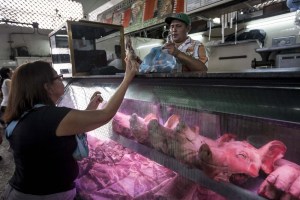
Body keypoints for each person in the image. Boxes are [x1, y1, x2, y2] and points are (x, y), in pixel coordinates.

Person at [1, 59, 138, 199]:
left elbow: (56, 132)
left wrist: (89, 109)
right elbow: (105, 114)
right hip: (41, 196)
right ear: (48, 87)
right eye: (58, 77)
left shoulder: (32, 114)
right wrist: (127, 78)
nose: (62, 80)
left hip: (24, 191)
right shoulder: (50, 117)